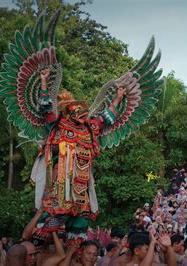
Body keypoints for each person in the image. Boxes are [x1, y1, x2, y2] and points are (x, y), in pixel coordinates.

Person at [30, 68, 127, 244]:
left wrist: (118, 98)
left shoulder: (89, 128)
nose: (81, 112)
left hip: (80, 185)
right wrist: (43, 81)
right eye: (76, 110)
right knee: (50, 222)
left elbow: (105, 118)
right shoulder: (57, 125)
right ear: (68, 112)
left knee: (79, 227)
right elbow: (45, 107)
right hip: (59, 182)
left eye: (82, 110)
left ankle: (75, 246)